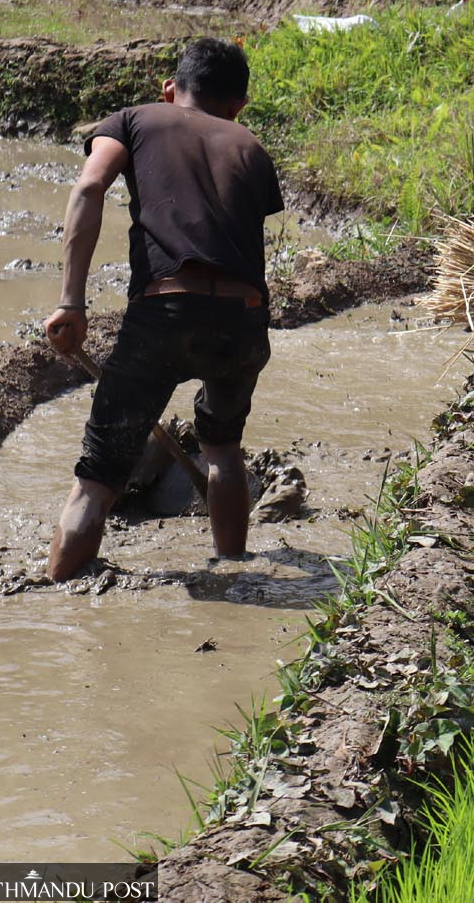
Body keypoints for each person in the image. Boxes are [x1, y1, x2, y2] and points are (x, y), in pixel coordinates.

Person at [43, 37, 283, 581]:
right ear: (238, 106)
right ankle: (233, 568)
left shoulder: (134, 119)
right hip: (244, 323)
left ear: (171, 89)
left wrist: (71, 302)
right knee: (222, 449)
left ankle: (55, 592)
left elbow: (89, 186)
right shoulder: (251, 147)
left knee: (98, 476)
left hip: (166, 311)